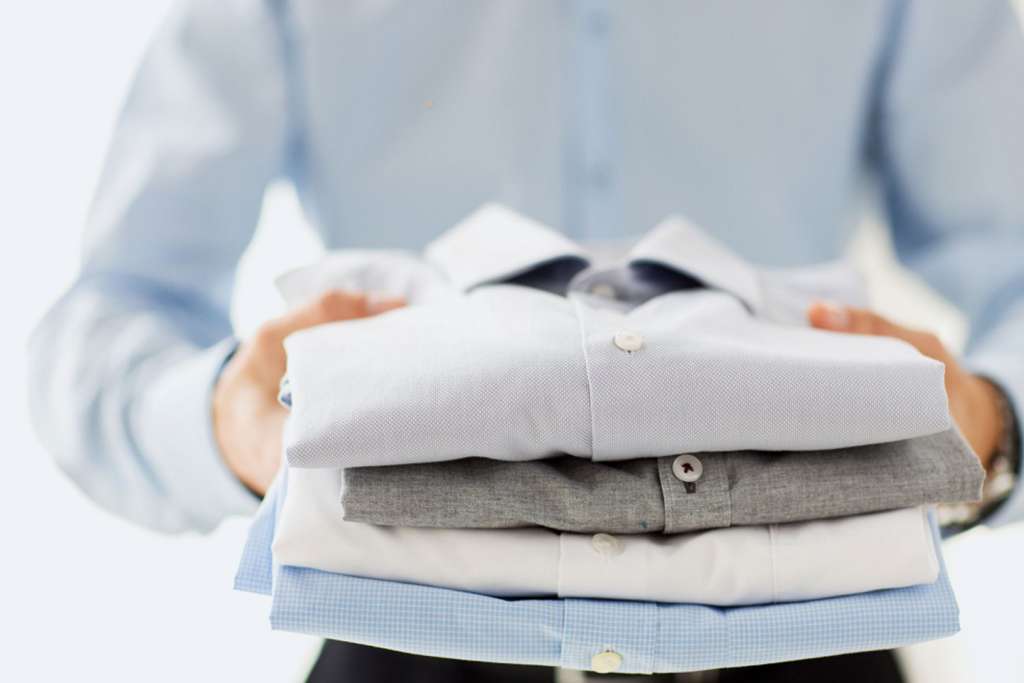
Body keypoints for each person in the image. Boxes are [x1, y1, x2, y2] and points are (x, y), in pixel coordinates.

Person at [27, 1, 1024, 681]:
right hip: (398, 628)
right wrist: (225, 424)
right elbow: (115, 303)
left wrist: (992, 423)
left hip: (801, 637)